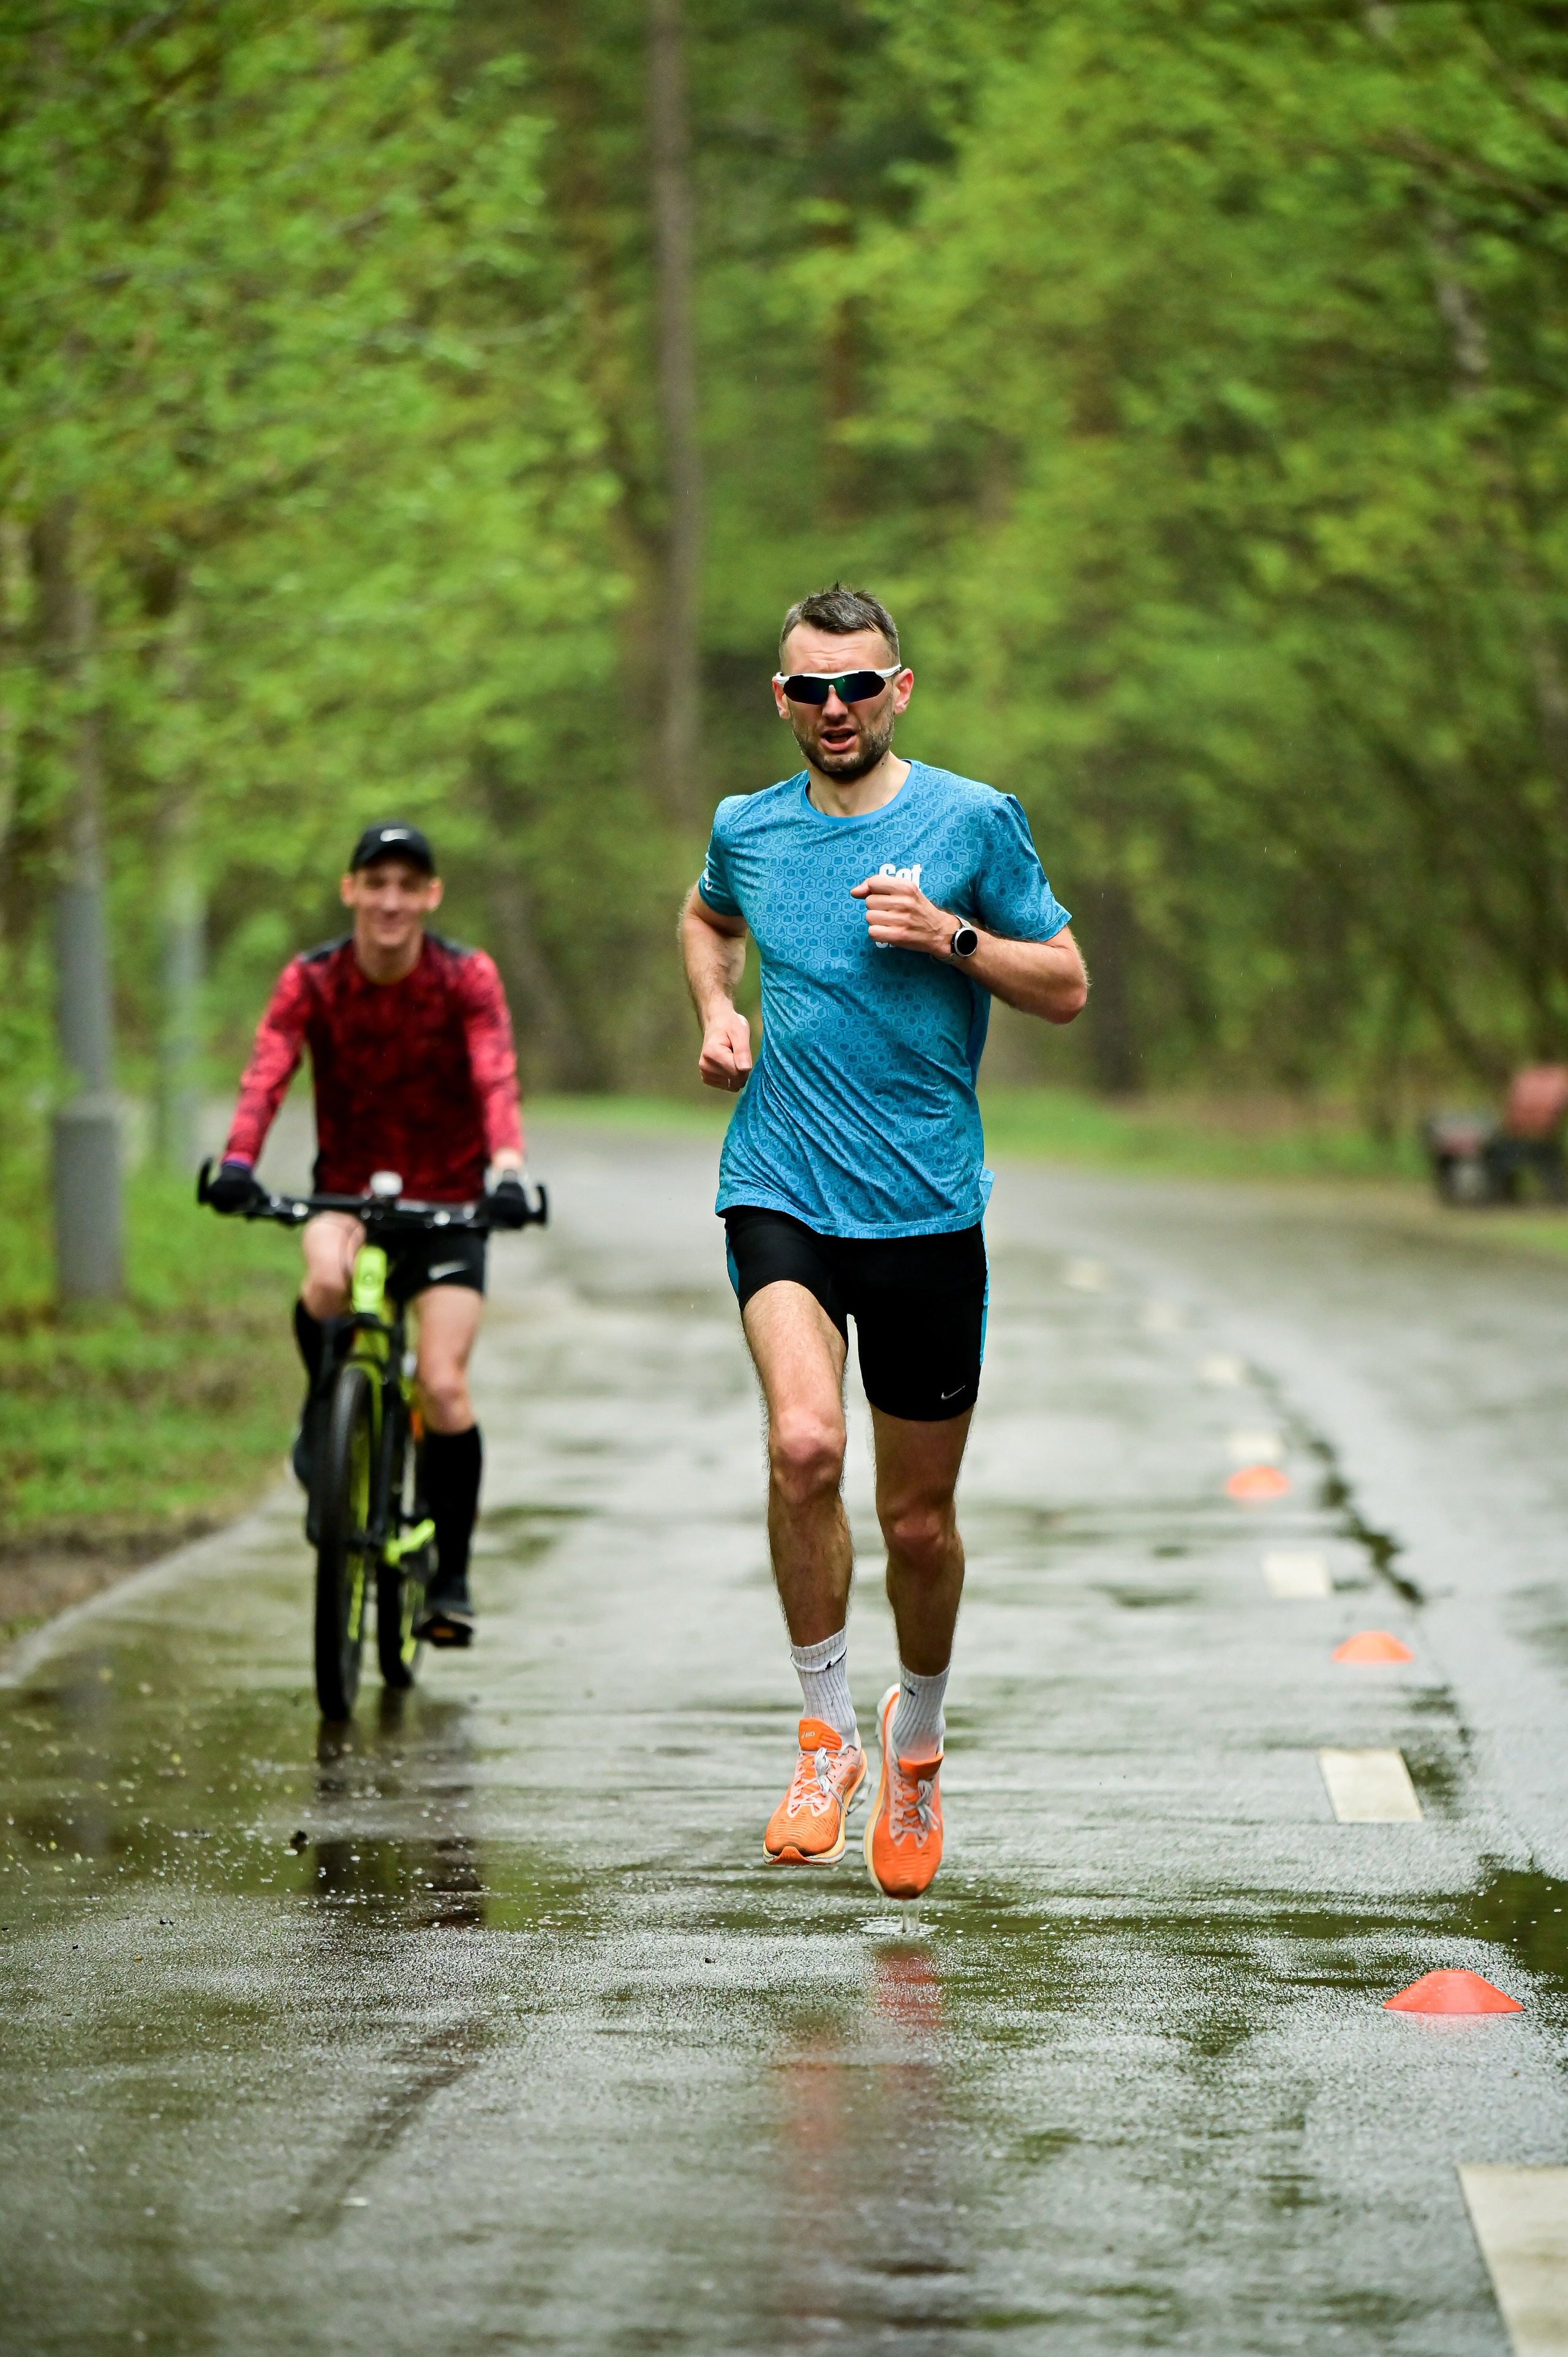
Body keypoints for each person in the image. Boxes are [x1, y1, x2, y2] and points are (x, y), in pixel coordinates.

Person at [679, 586, 1087, 1898]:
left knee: (917, 1524)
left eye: (859, 684)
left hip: (924, 1207)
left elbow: (1067, 984)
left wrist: (950, 936)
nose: (836, 707)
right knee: (804, 1445)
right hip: (780, 1180)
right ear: (781, 699)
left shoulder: (972, 821)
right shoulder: (746, 827)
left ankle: (916, 1740)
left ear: (898, 689)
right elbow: (707, 918)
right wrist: (718, 1010)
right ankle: (826, 1737)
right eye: (811, 688)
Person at [205, 821, 530, 1647]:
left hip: (450, 1202)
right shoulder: (312, 980)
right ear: (350, 890)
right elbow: (268, 1070)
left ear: (431, 896)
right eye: (375, 883)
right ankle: (328, 1416)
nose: (390, 901)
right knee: (324, 1283)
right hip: (345, 1193)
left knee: (444, 1386)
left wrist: (507, 1170)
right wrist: (239, 1161)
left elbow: (495, 1073)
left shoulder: (465, 977)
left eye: (407, 886)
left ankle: (450, 1579)